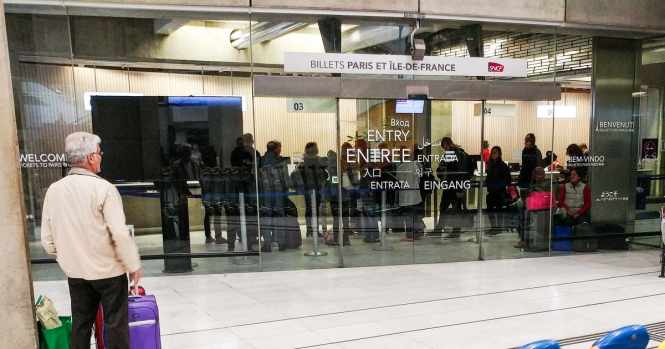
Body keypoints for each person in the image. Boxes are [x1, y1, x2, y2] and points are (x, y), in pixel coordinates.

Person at [41, 132, 143, 349]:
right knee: (115, 325)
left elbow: (47, 241)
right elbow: (119, 234)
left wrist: (69, 257)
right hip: (109, 273)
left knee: (81, 324)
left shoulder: (54, 190)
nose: (101, 157)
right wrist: (133, 265)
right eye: (99, 153)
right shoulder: (103, 189)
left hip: (76, 273)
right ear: (89, 158)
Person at [434, 137, 472, 239]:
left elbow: (444, 171)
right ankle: (453, 230)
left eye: (444, 146)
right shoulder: (461, 154)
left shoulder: (453, 154)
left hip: (453, 186)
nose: (444, 149)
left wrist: (442, 176)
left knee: (446, 208)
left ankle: (442, 230)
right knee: (453, 209)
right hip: (456, 185)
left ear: (448, 144)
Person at [485, 146, 512, 235]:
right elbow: (489, 177)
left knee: (499, 210)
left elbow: (507, 179)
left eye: (495, 152)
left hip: (499, 191)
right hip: (491, 191)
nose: (493, 154)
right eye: (492, 153)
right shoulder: (490, 164)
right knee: (490, 210)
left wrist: (498, 185)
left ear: (499, 154)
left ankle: (498, 228)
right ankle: (494, 227)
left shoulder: (503, 165)